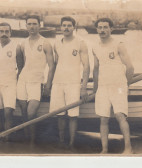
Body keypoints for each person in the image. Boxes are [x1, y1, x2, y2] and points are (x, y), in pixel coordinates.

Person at [92, 18, 134, 154]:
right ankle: (104, 150)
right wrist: (95, 88)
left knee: (120, 116)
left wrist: (125, 85)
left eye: (105, 27)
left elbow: (130, 67)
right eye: (100, 27)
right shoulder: (95, 47)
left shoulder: (118, 45)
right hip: (103, 87)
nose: (102, 30)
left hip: (118, 86)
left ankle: (128, 148)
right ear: (97, 29)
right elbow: (96, 69)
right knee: (103, 119)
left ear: (111, 29)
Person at [49, 16, 90, 149]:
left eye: (69, 25)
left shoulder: (80, 42)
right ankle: (61, 141)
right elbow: (55, 64)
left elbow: (87, 66)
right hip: (58, 83)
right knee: (60, 114)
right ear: (61, 27)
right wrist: (48, 83)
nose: (66, 28)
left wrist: (83, 88)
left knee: (73, 115)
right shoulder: (56, 43)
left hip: (73, 83)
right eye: (64, 25)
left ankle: (71, 143)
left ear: (74, 27)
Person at [16, 15, 55, 145]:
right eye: (29, 24)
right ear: (26, 26)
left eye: (34, 24)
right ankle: (27, 139)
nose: (32, 27)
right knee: (23, 112)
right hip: (22, 81)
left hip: (37, 82)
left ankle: (32, 141)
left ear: (39, 25)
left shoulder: (45, 43)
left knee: (31, 113)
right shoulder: (22, 43)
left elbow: (52, 66)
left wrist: (48, 85)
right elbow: (20, 66)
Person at [0, 22, 21, 140]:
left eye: (6, 31)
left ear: (10, 33)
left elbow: (20, 66)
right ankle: (1, 137)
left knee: (8, 112)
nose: (4, 34)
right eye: (1, 31)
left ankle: (7, 137)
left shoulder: (16, 47)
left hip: (10, 83)